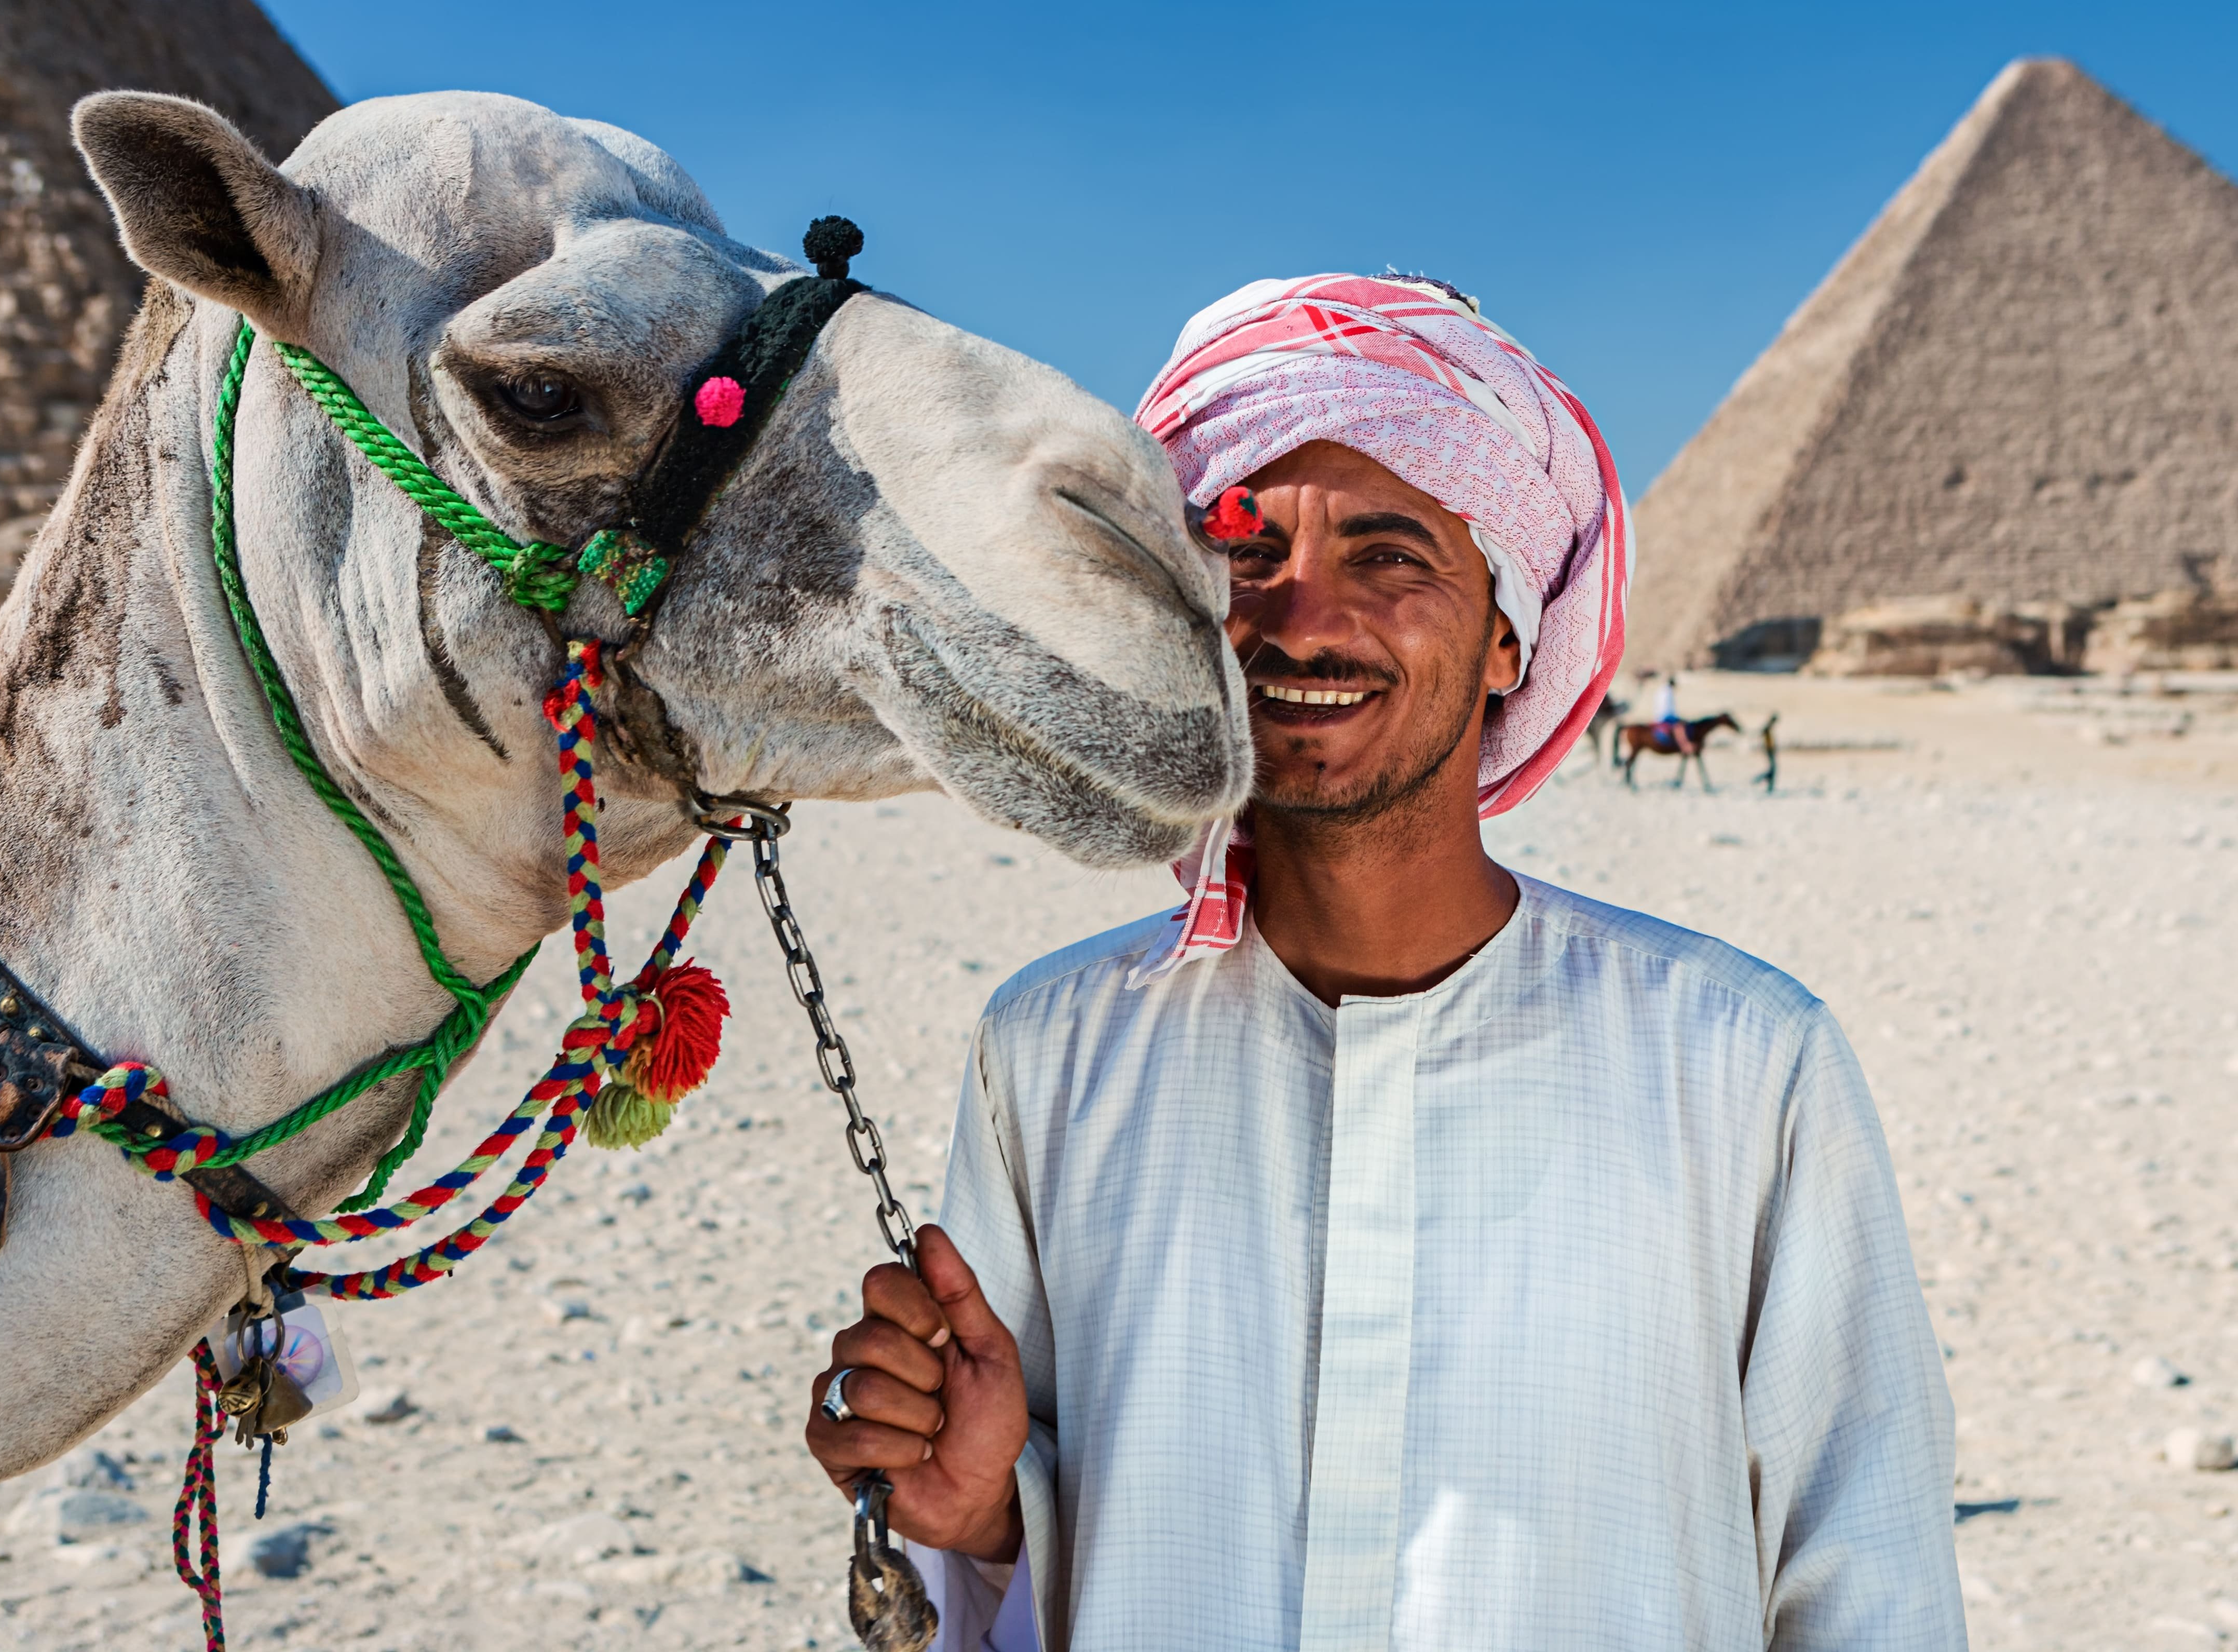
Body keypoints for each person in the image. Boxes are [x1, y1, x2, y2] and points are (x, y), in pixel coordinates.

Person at [804, 274, 1963, 1651]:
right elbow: (999, 1566)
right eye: (1244, 556)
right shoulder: (1052, 1053)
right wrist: (987, 1506)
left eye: (1388, 554)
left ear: (1508, 636)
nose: (1301, 619)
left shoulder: (1741, 1063)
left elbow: (1870, 1583)